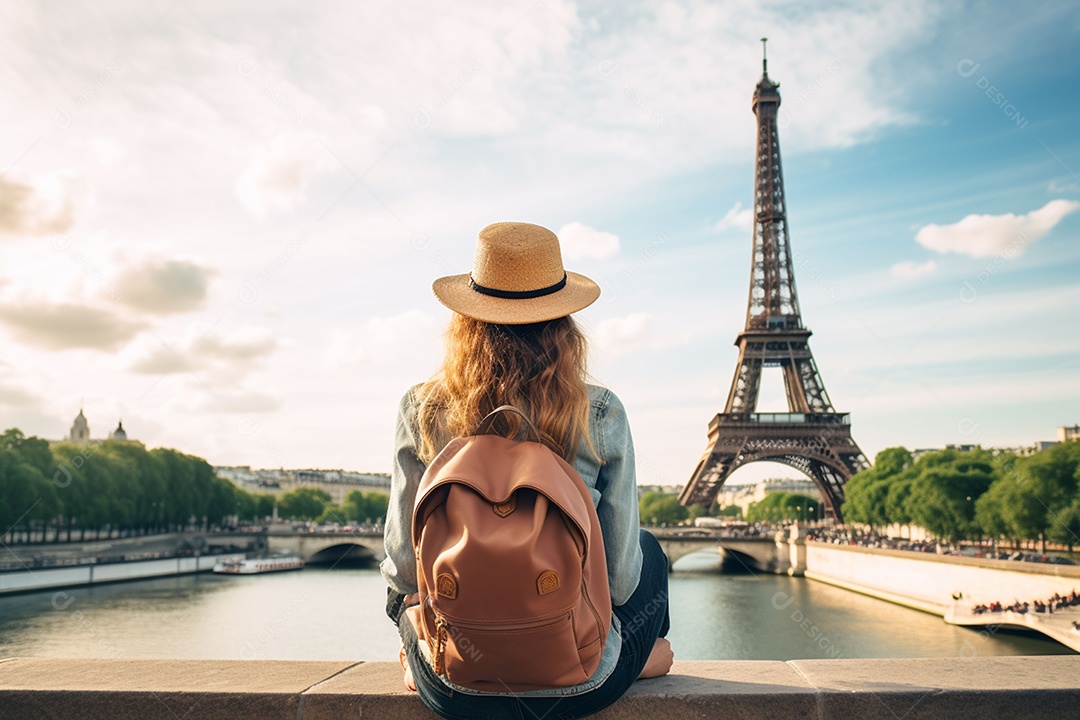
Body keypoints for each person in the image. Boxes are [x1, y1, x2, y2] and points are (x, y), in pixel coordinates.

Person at [381, 221, 673, 719]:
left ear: (467, 318)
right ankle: (634, 657)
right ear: (563, 322)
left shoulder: (421, 407)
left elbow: (405, 570)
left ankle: (421, 653)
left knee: (400, 593)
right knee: (646, 548)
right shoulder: (600, 412)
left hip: (452, 683)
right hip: (577, 683)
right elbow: (621, 585)